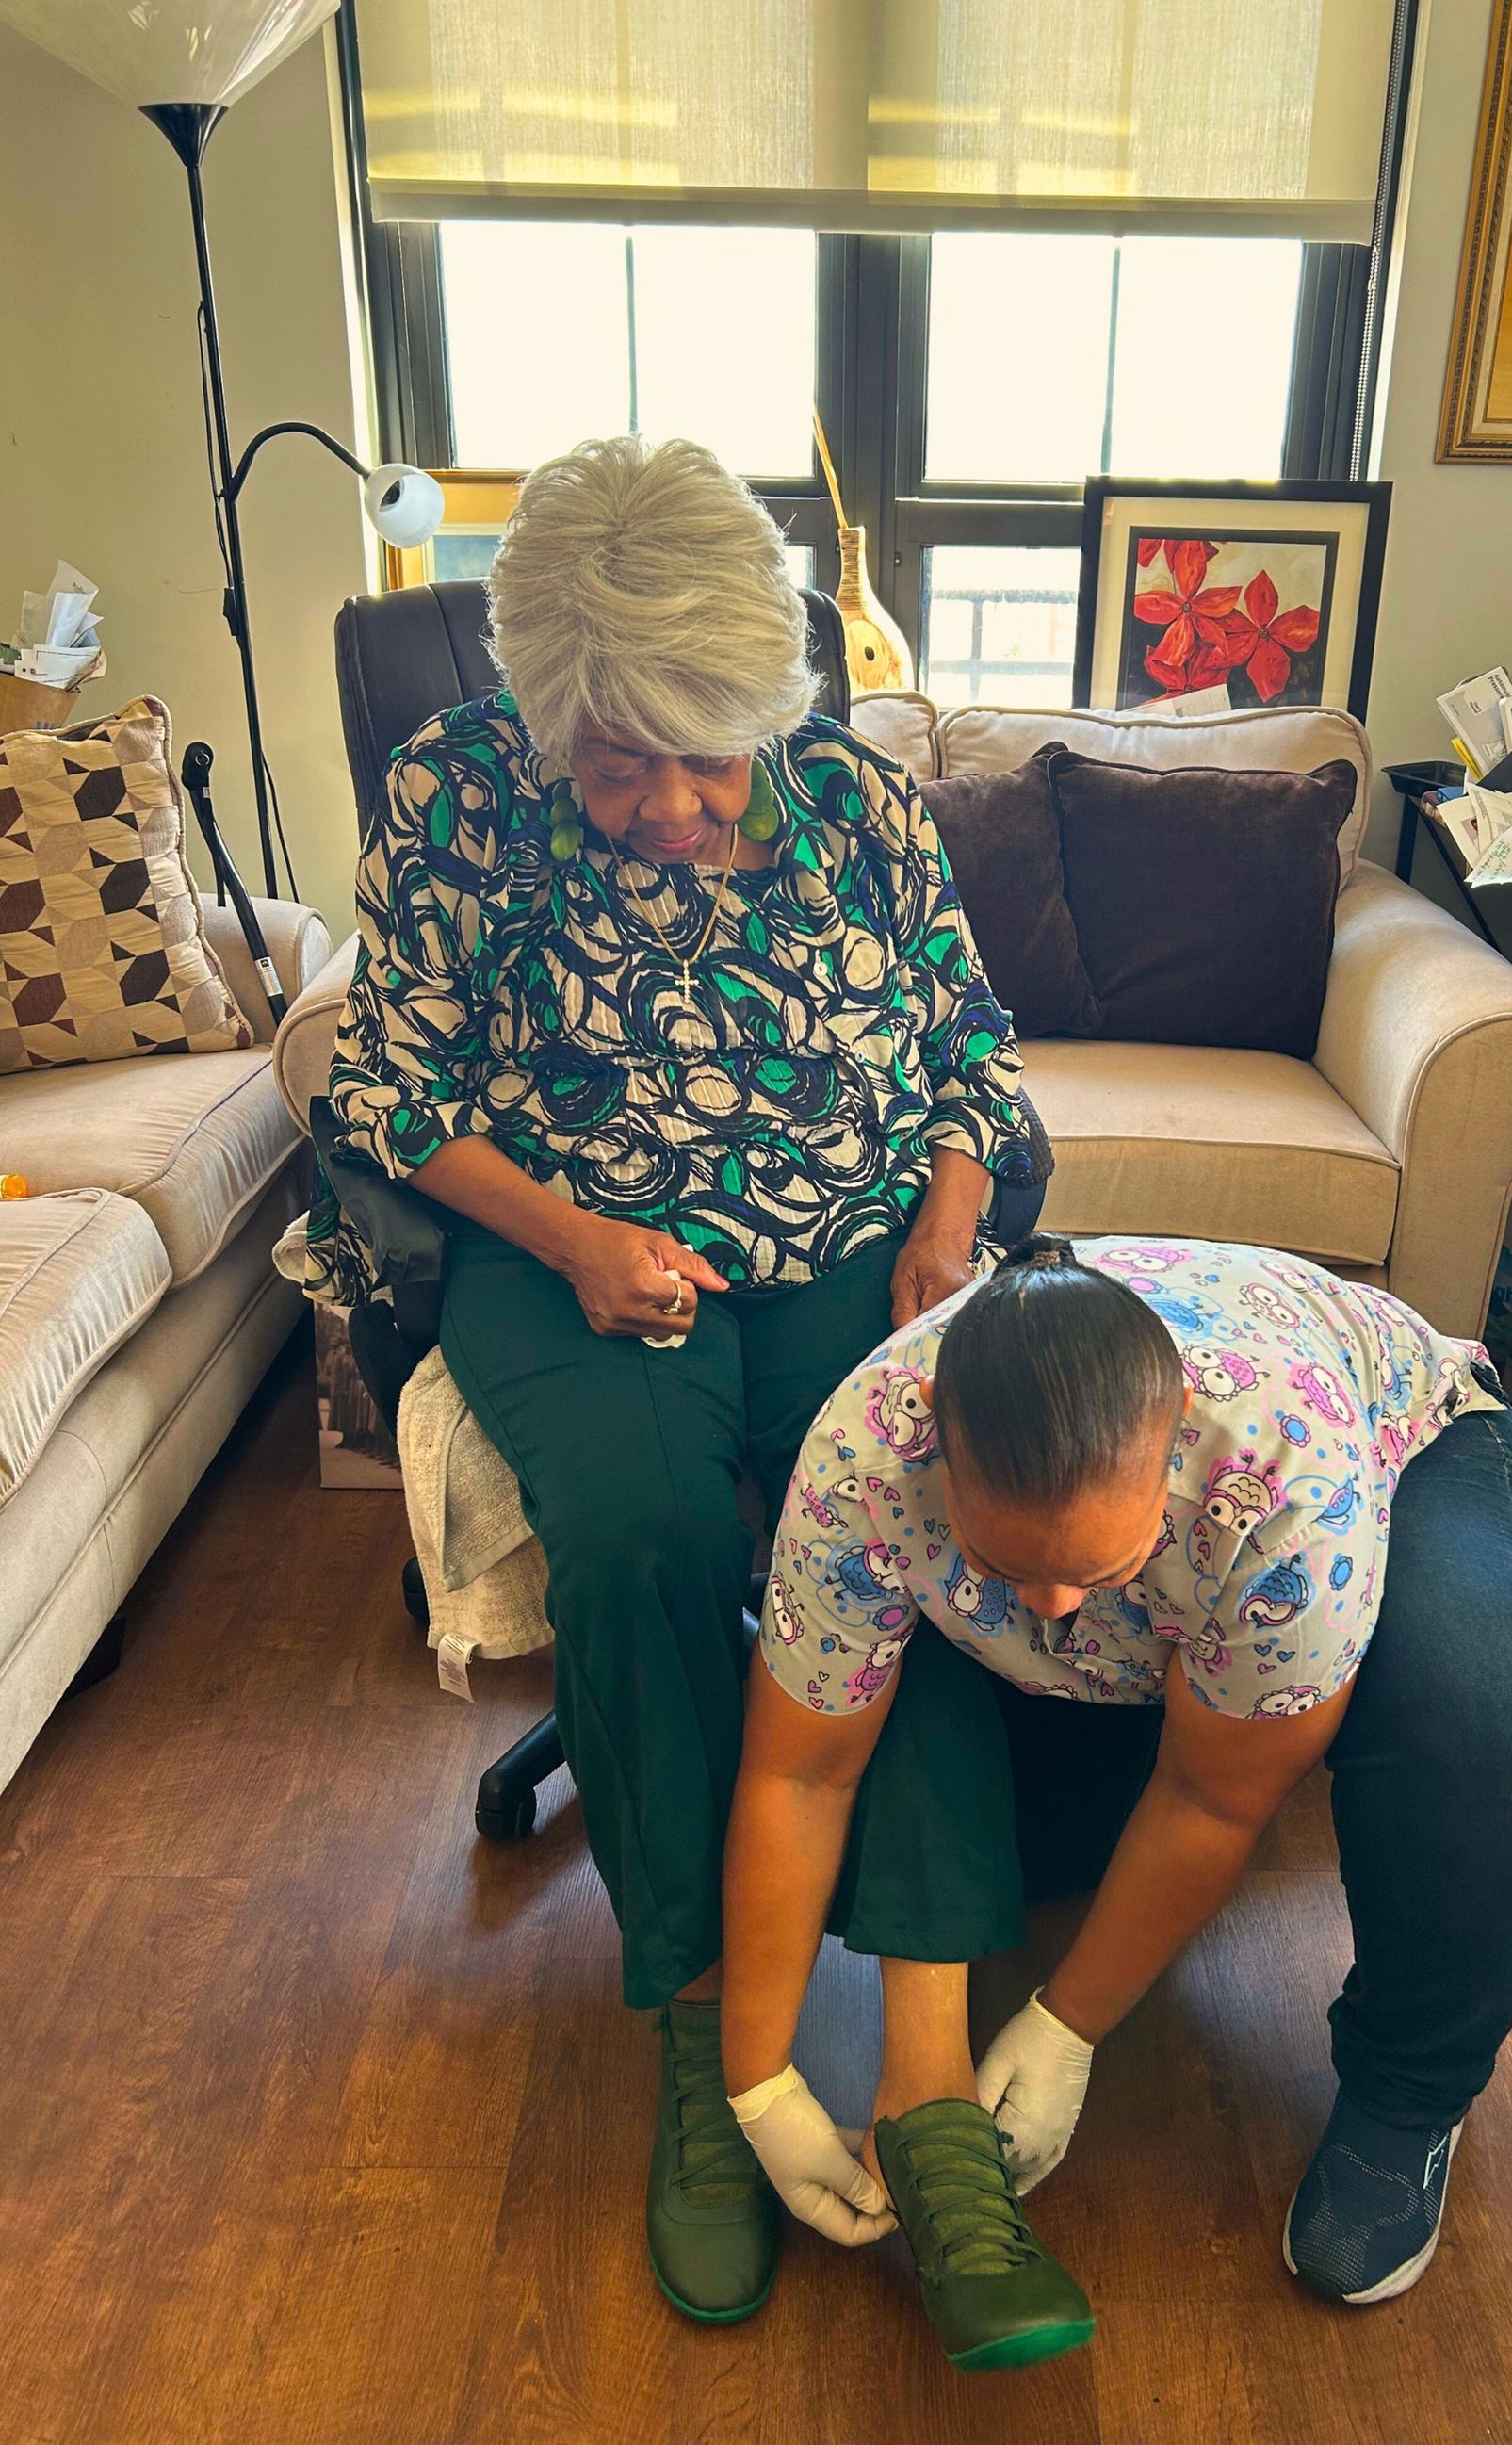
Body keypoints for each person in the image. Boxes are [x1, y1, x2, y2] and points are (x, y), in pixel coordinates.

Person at [306, 435, 1029, 2323]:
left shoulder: (860, 808)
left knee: (900, 1523)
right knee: (632, 1531)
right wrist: (568, 1239)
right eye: (621, 759)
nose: (678, 804)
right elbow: (385, 1085)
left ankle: (932, 2086)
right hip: (575, 1249)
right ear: (545, 712)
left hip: (848, 1244)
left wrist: (946, 1221)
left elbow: (974, 1044)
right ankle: (715, 2040)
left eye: (711, 753)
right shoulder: (455, 795)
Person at [720, 1234, 1512, 2372]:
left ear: (1173, 1458)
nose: (1053, 1602)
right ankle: (1149, 1639)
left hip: (1404, 1427)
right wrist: (757, 2072)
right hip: (1152, 1602)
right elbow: (799, 1772)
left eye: (1091, 1570)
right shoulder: (863, 1458)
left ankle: (1408, 2096)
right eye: (1011, 1563)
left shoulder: (1285, 1492)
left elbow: (1212, 1798)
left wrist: (1068, 2025)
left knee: (1473, 1716)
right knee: (954, 1752)